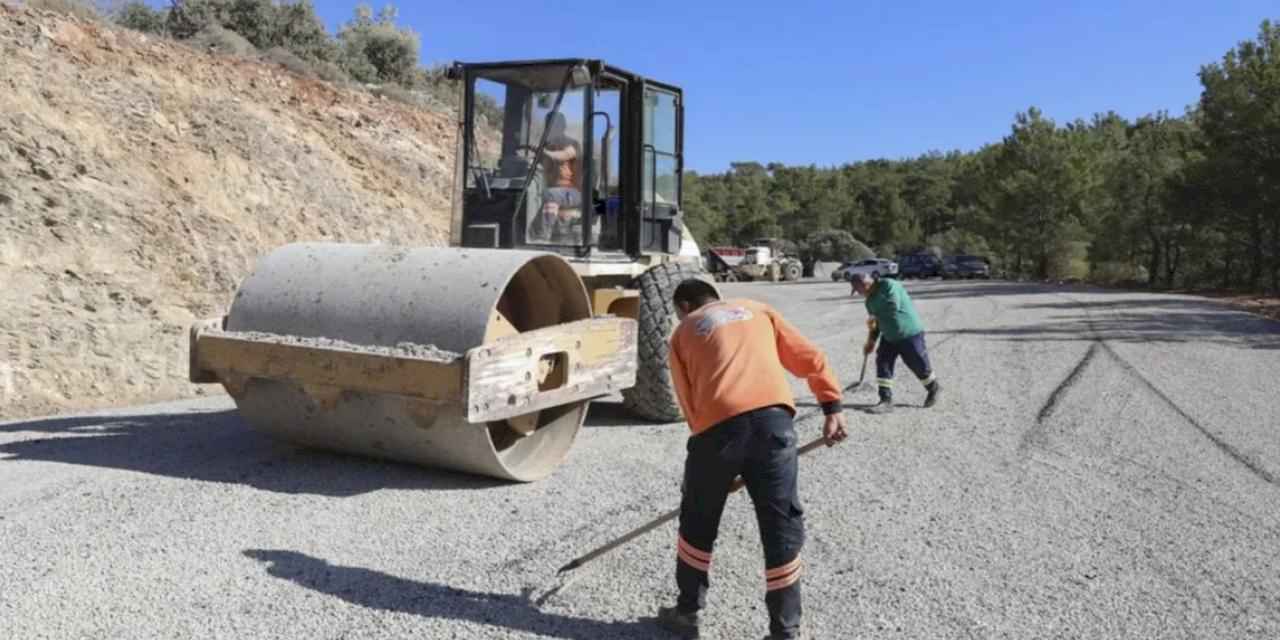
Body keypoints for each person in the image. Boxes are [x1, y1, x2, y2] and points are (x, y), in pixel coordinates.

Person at [657, 278, 848, 640]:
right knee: (781, 529)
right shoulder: (758, 310)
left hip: (716, 431)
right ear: (717, 297)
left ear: (683, 306)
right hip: (774, 426)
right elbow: (810, 357)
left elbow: (689, 401)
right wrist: (831, 405)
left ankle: (687, 613)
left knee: (698, 519)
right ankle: (785, 630)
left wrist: (715, 464)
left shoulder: (683, 332)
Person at [850, 272, 941, 413]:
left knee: (917, 363)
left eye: (858, 290)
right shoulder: (869, 301)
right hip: (889, 337)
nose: (859, 293)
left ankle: (933, 387)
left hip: (909, 332)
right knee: (882, 362)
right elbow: (874, 325)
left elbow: (893, 306)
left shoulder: (888, 285)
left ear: (864, 284)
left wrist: (876, 317)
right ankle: (885, 400)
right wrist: (871, 341)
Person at [529, 111, 583, 243]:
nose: (550, 128)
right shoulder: (547, 146)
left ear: (562, 126)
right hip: (552, 191)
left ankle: (543, 235)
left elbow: (562, 155)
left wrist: (543, 152)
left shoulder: (572, 144)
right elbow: (539, 162)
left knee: (551, 195)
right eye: (548, 125)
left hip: (572, 192)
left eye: (553, 125)